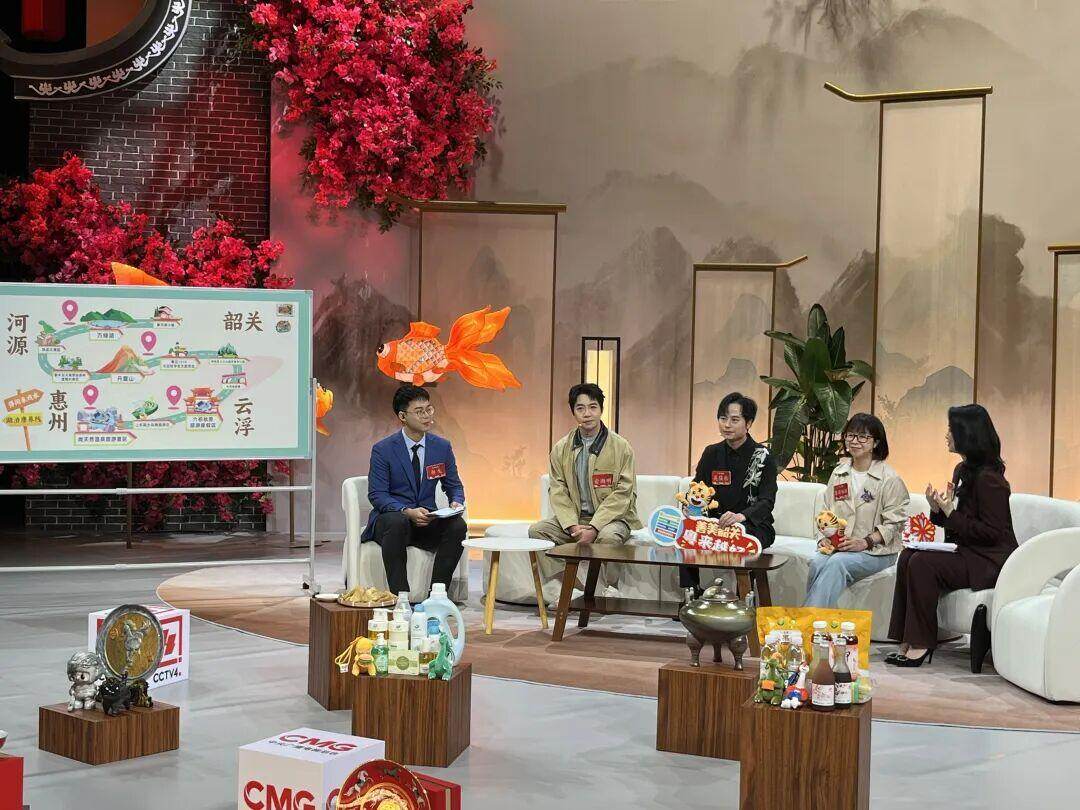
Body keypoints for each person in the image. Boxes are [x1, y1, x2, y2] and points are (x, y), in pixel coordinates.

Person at [886, 404, 1017, 667]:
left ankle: (922, 643)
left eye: (951, 429)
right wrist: (938, 510)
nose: (947, 435)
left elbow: (992, 533)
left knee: (923, 564)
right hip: (967, 551)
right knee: (908, 555)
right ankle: (906, 638)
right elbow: (956, 519)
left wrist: (951, 513)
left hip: (989, 560)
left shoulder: (990, 480)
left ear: (967, 434)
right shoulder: (962, 470)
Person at [529, 383, 641, 587]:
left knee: (608, 538)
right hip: (576, 519)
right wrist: (572, 525)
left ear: (601, 410)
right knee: (538, 532)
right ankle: (570, 587)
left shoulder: (621, 447)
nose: (587, 414)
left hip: (612, 519)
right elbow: (558, 490)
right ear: (573, 412)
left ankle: (605, 590)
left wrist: (595, 527)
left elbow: (624, 493)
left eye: (592, 407)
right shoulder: (561, 448)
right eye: (580, 408)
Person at [362, 384, 467, 598]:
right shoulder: (383, 449)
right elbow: (377, 495)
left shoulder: (442, 447)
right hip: (392, 522)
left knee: (457, 526)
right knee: (397, 522)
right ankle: (400, 597)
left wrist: (456, 501)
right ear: (402, 416)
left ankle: (437, 595)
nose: (427, 416)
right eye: (419, 412)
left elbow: (454, 485)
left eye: (429, 409)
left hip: (426, 520)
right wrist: (407, 511)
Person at [803, 413, 909, 607]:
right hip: (840, 545)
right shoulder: (839, 473)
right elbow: (825, 512)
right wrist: (824, 539)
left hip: (876, 551)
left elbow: (895, 524)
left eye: (863, 437)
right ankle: (819, 620)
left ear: (876, 443)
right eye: (850, 435)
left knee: (837, 563)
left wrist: (865, 542)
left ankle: (808, 619)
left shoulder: (890, 479)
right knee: (817, 561)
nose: (854, 441)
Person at [679, 392, 777, 595]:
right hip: (715, 522)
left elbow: (767, 501)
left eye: (734, 420)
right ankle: (691, 593)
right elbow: (697, 487)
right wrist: (691, 507)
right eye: (723, 418)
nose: (727, 425)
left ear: (748, 423)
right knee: (685, 533)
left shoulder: (763, 457)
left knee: (742, 538)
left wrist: (741, 516)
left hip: (753, 524)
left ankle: (744, 597)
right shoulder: (711, 453)